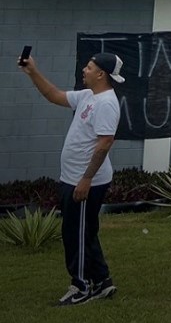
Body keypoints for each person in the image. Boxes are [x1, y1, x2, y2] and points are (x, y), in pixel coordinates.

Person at [18, 52, 125, 306]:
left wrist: (86, 179)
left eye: (89, 67)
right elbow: (54, 95)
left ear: (101, 74)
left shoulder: (106, 104)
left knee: (74, 235)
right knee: (85, 233)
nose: (84, 70)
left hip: (86, 181)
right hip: (74, 178)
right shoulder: (89, 96)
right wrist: (33, 71)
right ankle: (102, 282)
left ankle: (81, 286)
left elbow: (105, 143)